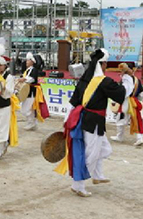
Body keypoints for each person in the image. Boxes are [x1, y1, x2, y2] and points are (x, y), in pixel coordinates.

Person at [58, 49, 125, 197]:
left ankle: (97, 174)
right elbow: (121, 93)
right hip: (93, 123)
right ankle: (78, 185)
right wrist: (126, 78)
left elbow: (73, 101)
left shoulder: (84, 79)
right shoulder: (103, 82)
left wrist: (66, 120)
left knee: (104, 149)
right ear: (103, 64)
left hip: (84, 119)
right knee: (91, 153)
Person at [110, 63, 143, 145]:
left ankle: (120, 137)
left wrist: (115, 101)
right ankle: (140, 137)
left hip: (125, 102)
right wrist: (137, 99)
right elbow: (141, 94)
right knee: (136, 119)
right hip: (133, 102)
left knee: (121, 118)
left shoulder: (123, 80)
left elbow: (119, 92)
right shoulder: (137, 80)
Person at [18, 52, 48, 131]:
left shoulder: (34, 70)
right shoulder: (27, 70)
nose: (26, 62)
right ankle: (32, 123)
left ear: (32, 62)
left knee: (27, 108)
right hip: (27, 91)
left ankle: (32, 123)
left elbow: (32, 79)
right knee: (27, 108)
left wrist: (24, 79)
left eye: (28, 60)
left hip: (31, 91)